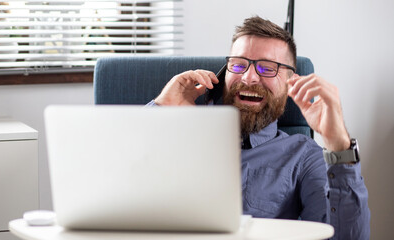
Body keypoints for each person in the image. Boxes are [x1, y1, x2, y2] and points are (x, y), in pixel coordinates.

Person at [148, 16, 370, 239]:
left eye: (267, 68)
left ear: (289, 82)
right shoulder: (176, 136)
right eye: (238, 64)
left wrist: (338, 144)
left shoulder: (304, 156)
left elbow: (344, 236)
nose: (249, 77)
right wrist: (160, 110)